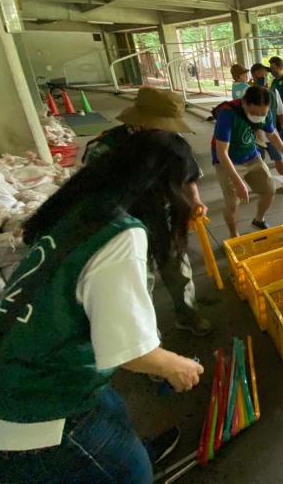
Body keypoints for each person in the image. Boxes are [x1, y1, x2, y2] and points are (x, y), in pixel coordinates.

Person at [0, 131, 205, 484]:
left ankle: (127, 450)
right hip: (40, 415)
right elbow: (129, 351)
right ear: (162, 189)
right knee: (132, 475)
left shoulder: (79, 210)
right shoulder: (121, 235)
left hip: (7, 381)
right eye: (187, 187)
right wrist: (176, 366)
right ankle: (122, 464)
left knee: (112, 410)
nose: (191, 198)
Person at [82, 87, 212, 337]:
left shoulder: (172, 141)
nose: (166, 130)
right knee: (139, 285)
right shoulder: (106, 149)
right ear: (139, 120)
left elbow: (188, 177)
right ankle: (149, 341)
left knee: (179, 273)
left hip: (166, 219)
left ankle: (186, 315)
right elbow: (92, 195)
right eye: (161, 125)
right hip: (127, 228)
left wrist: (195, 200)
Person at [213, 84, 283, 237]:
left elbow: (272, 135)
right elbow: (222, 152)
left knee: (269, 190)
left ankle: (258, 219)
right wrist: (237, 181)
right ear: (245, 103)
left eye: (263, 113)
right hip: (228, 161)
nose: (259, 116)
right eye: (255, 112)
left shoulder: (264, 113)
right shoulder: (228, 115)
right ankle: (234, 234)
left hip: (251, 156)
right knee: (233, 203)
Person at [250, 62, 283, 194]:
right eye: (259, 76)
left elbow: (281, 112)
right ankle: (261, 185)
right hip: (255, 136)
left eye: (264, 74)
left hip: (271, 134)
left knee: (279, 159)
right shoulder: (248, 94)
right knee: (258, 163)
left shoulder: (274, 92)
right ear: (253, 77)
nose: (263, 77)